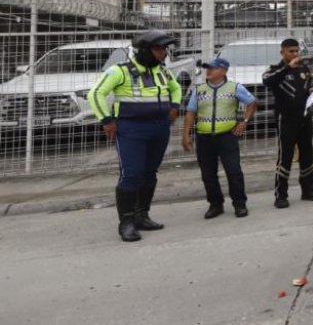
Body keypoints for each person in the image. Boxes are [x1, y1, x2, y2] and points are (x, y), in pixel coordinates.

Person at [86, 30, 182, 242]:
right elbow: (95, 93)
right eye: (159, 49)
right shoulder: (120, 71)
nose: (163, 53)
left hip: (159, 127)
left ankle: (142, 216)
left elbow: (176, 88)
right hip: (132, 129)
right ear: (145, 51)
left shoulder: (163, 71)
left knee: (150, 172)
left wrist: (175, 105)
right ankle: (126, 222)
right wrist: (107, 120)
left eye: (164, 49)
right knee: (132, 173)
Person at [182, 57, 257, 219]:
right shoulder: (199, 89)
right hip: (204, 137)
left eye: (212, 68)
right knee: (208, 174)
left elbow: (252, 103)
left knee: (234, 171)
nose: (208, 71)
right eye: (207, 68)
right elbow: (190, 113)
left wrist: (244, 122)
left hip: (227, 137)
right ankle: (215, 204)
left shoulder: (234, 87)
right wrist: (186, 134)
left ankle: (239, 204)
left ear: (223, 71)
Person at [262, 38, 313, 208]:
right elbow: (267, 81)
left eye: (297, 51)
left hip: (304, 118)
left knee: (307, 154)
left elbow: (308, 84)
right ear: (282, 52)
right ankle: (281, 195)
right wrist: (288, 67)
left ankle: (308, 189)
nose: (295, 54)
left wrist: (312, 93)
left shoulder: (303, 68)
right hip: (286, 120)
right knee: (286, 156)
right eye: (291, 51)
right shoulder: (275, 69)